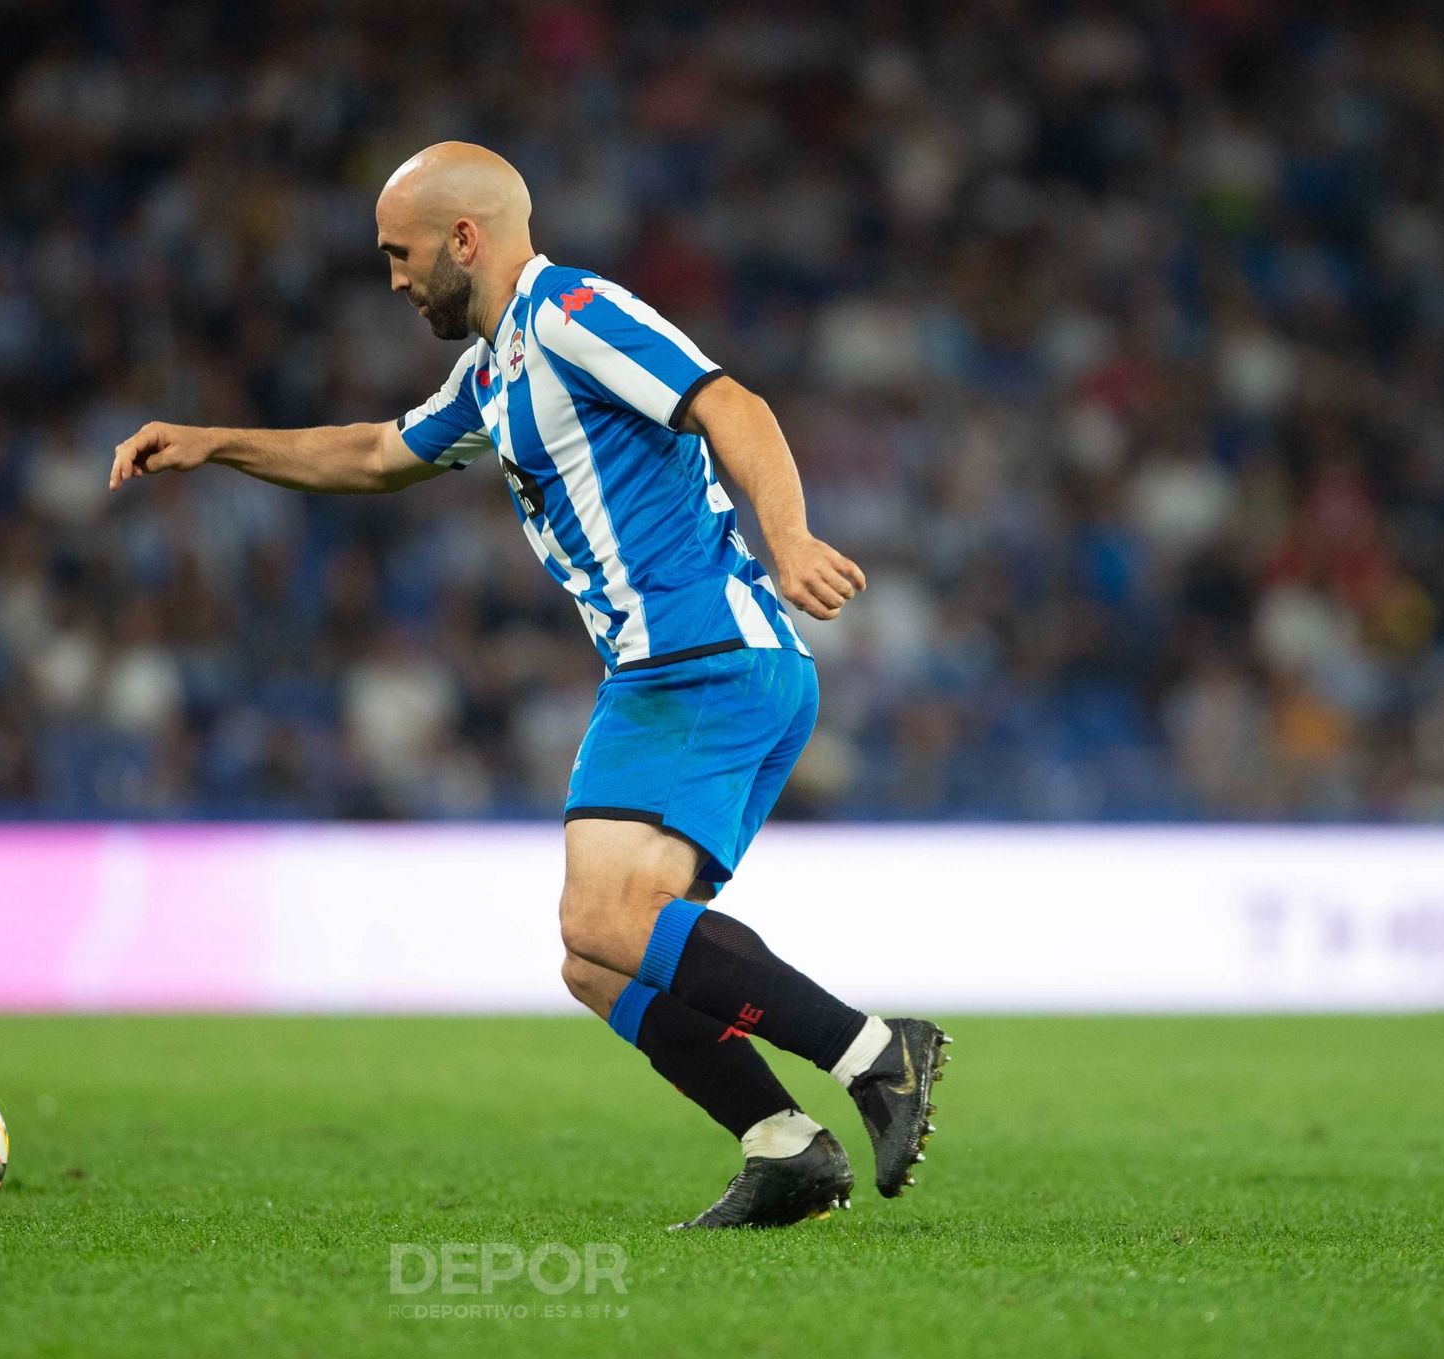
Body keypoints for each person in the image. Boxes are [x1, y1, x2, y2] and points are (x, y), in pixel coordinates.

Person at [108, 142, 949, 1229]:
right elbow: (372, 455)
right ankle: (782, 1146)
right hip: (663, 675)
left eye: (400, 255)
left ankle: (875, 1053)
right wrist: (215, 441)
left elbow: (728, 402)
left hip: (707, 658)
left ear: (464, 238)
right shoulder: (493, 371)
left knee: (604, 916)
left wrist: (784, 539)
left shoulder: (572, 314)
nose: (396, 279)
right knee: (596, 961)